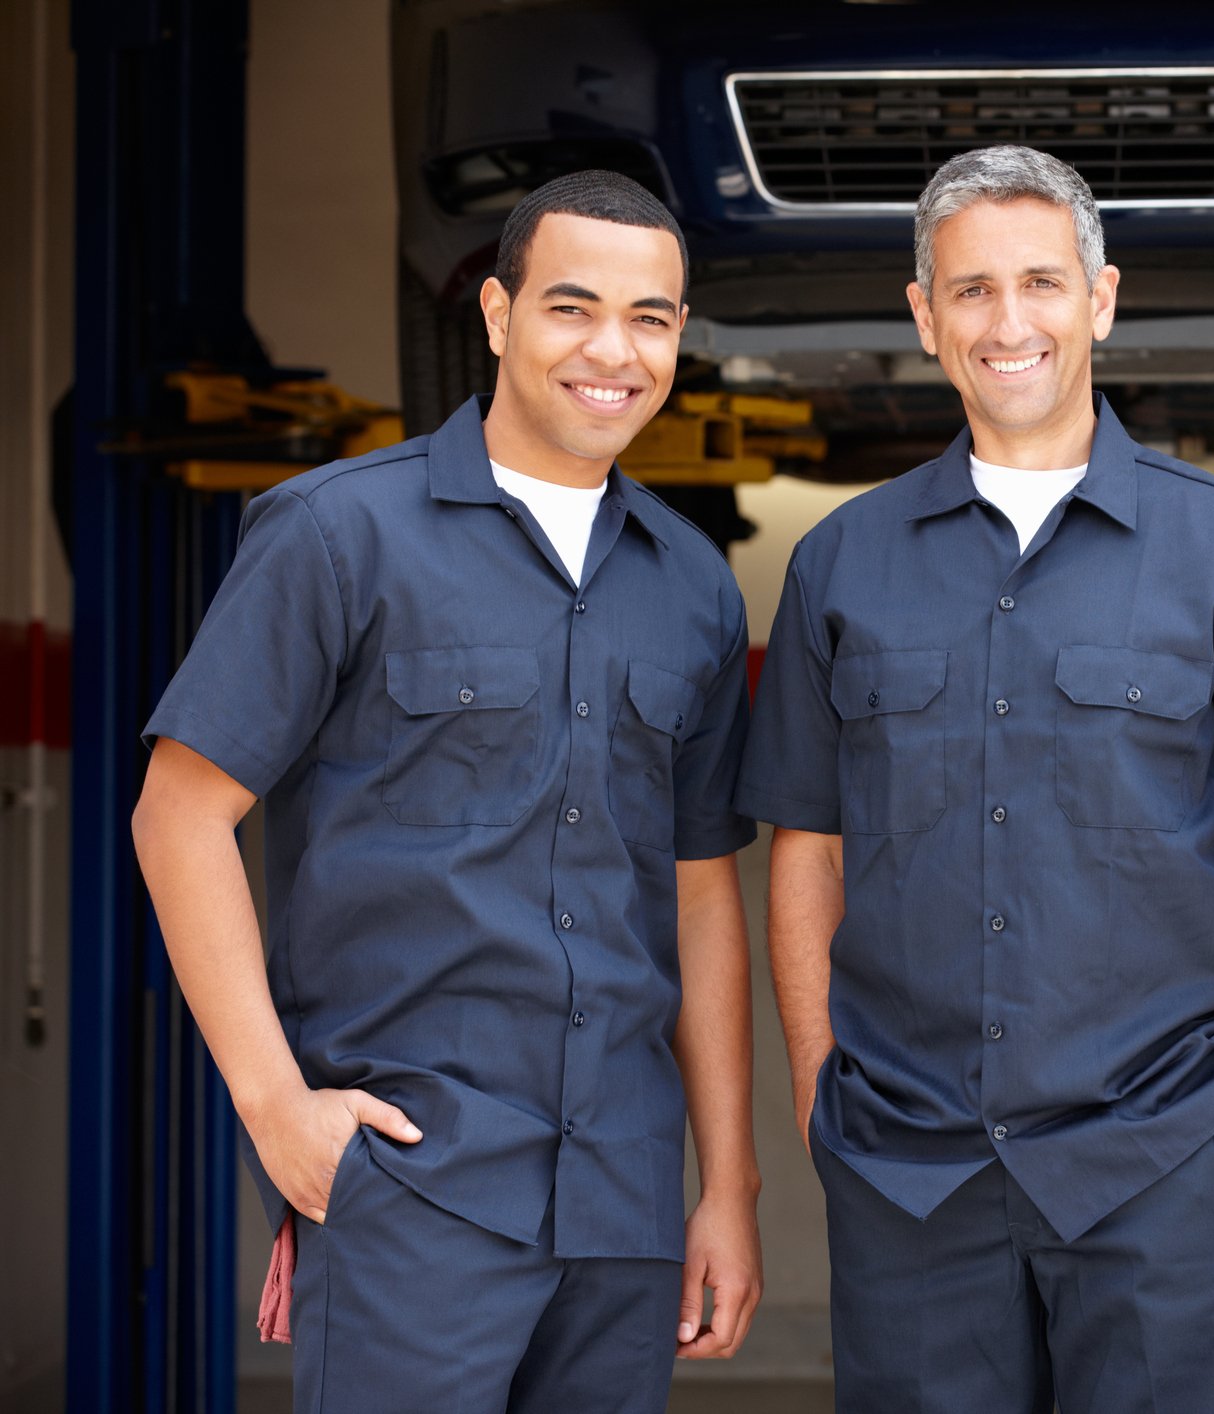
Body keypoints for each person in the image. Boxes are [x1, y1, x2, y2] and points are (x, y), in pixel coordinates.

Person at [132, 170, 763, 1409]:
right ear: (495, 313)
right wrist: (278, 1112)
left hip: (622, 1201)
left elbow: (699, 896)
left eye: (651, 319)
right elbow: (179, 813)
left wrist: (727, 1187)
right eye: (572, 307)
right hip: (415, 1185)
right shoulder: (335, 535)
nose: (612, 352)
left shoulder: (692, 586)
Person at [737, 144, 1214, 1412]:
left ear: (1102, 299)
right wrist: (817, 1095)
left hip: (1164, 1168)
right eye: (969, 291)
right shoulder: (840, 563)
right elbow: (806, 848)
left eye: (1042, 284)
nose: (1008, 323)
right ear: (923, 316)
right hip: (910, 1176)